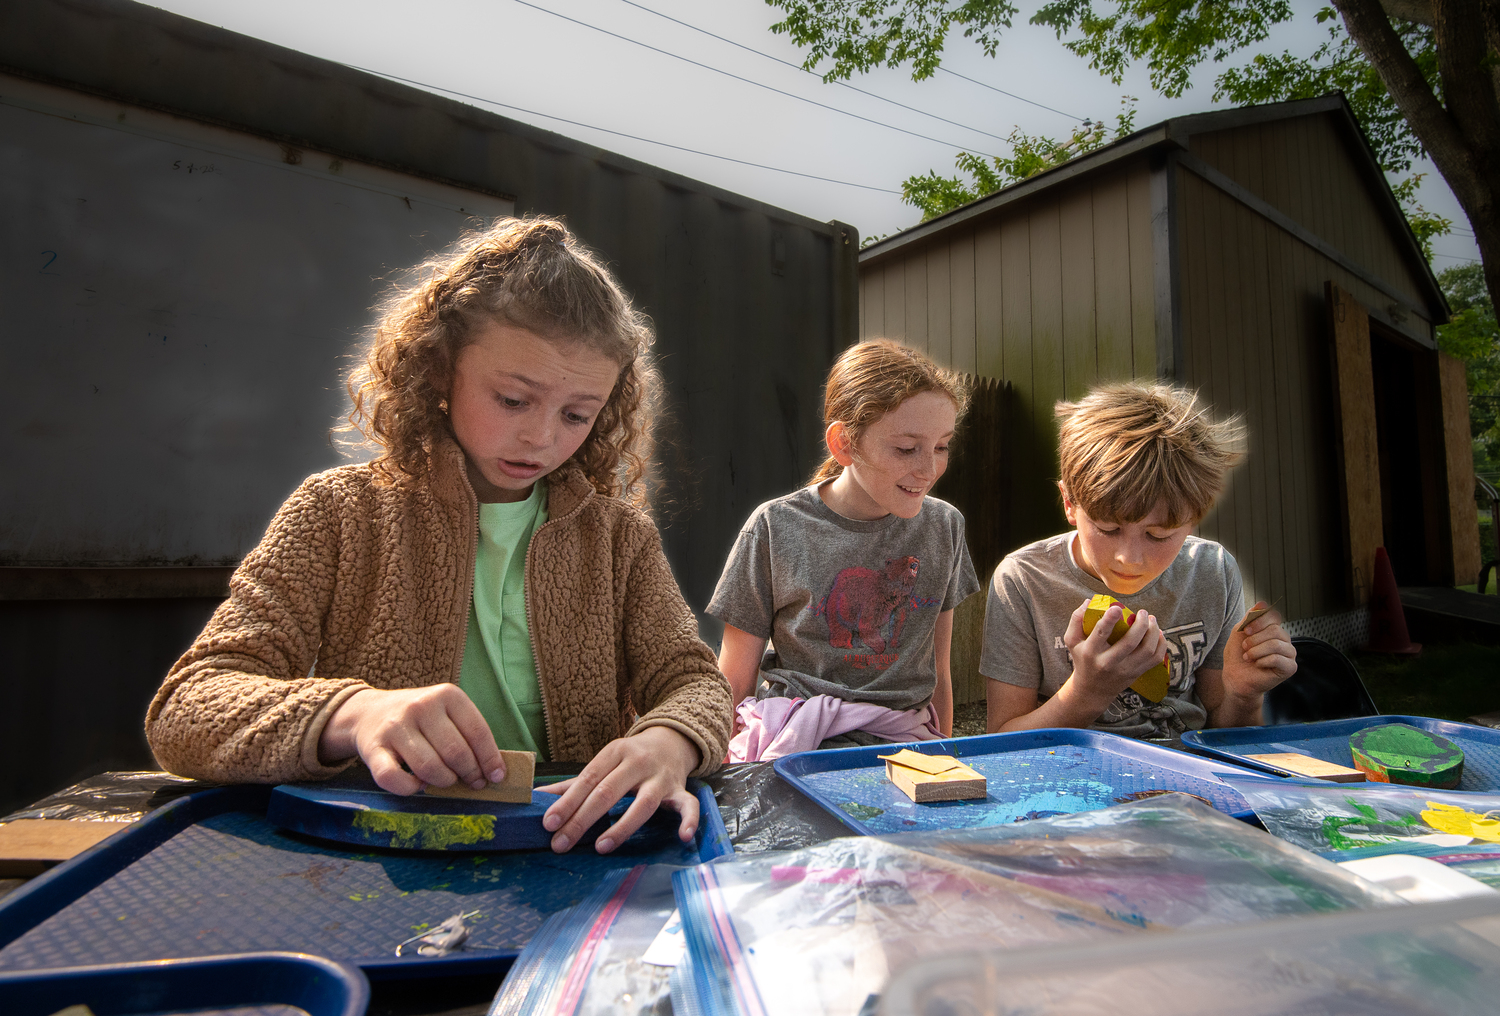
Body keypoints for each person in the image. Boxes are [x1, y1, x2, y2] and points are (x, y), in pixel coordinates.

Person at [146, 217, 733, 854]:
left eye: (576, 415)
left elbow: (696, 684)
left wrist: (669, 741)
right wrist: (353, 715)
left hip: (573, 853)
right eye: (513, 399)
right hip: (381, 851)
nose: (541, 437)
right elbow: (188, 706)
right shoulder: (339, 512)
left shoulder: (621, 539)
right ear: (438, 371)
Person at [708, 339, 980, 761]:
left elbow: (937, 670)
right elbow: (734, 680)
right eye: (907, 448)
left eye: (941, 446)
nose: (929, 470)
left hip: (904, 743)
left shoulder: (945, 526)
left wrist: (946, 757)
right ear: (844, 444)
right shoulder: (775, 527)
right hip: (795, 739)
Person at [981, 381, 1298, 738]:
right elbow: (1003, 738)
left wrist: (1244, 694)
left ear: (1194, 517)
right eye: (1107, 528)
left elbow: (1227, 731)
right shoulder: (1024, 580)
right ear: (1069, 504)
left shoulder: (1213, 571)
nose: (1128, 558)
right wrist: (1086, 693)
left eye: (1158, 535)